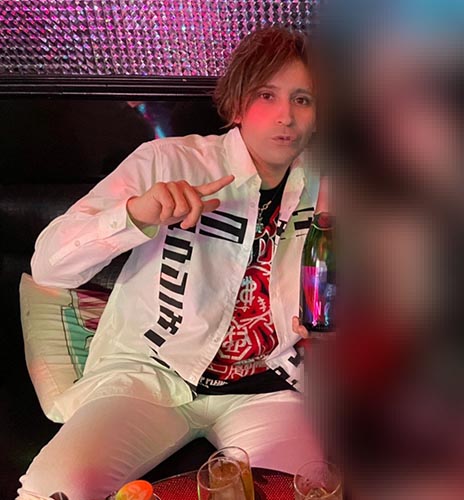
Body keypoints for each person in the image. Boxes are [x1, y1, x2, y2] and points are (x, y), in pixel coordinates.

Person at [19, 26, 323, 500]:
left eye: (302, 99)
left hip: (268, 386)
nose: (286, 115)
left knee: (306, 493)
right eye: (267, 95)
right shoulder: (166, 162)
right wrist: (135, 215)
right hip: (151, 375)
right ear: (238, 105)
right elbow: (50, 265)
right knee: (54, 490)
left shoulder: (330, 187)